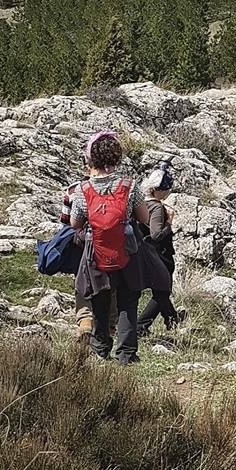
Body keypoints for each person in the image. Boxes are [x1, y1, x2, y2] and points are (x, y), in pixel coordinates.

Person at [71, 130, 150, 365]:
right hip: (127, 252)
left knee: (100, 300)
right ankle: (126, 354)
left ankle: (100, 349)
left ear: (91, 158)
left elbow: (75, 222)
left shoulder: (82, 190)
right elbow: (145, 217)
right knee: (127, 300)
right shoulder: (129, 185)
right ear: (116, 157)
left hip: (96, 253)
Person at [137, 163, 182, 338]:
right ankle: (142, 325)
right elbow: (156, 234)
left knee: (160, 290)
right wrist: (169, 223)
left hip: (145, 252)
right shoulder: (156, 207)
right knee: (163, 291)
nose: (168, 192)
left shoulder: (141, 203)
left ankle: (171, 318)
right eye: (165, 189)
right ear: (156, 189)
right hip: (160, 254)